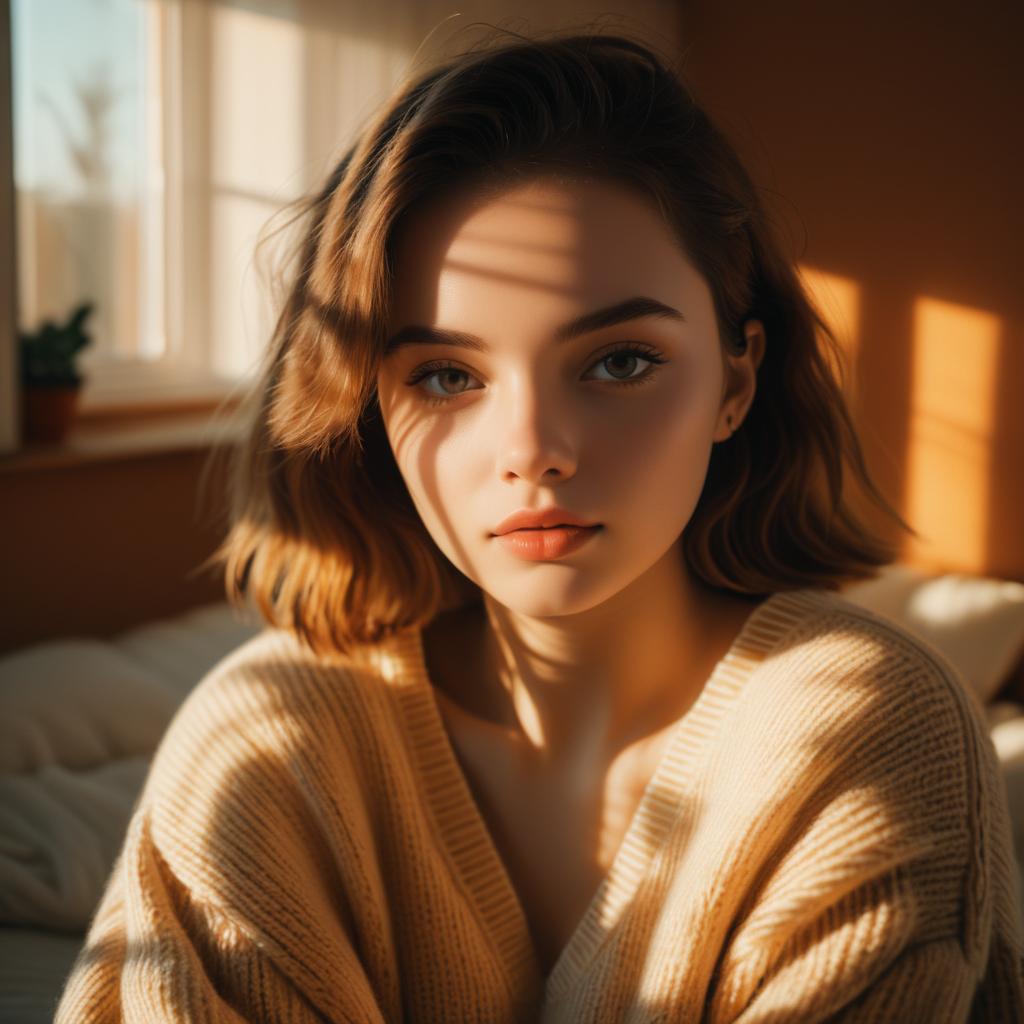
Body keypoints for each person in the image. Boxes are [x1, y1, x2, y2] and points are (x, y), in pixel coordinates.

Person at [55, 27, 1023, 1023]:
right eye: (445, 375)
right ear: (367, 409)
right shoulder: (262, 742)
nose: (533, 448)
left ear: (736, 379)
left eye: (618, 361)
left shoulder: (870, 723)